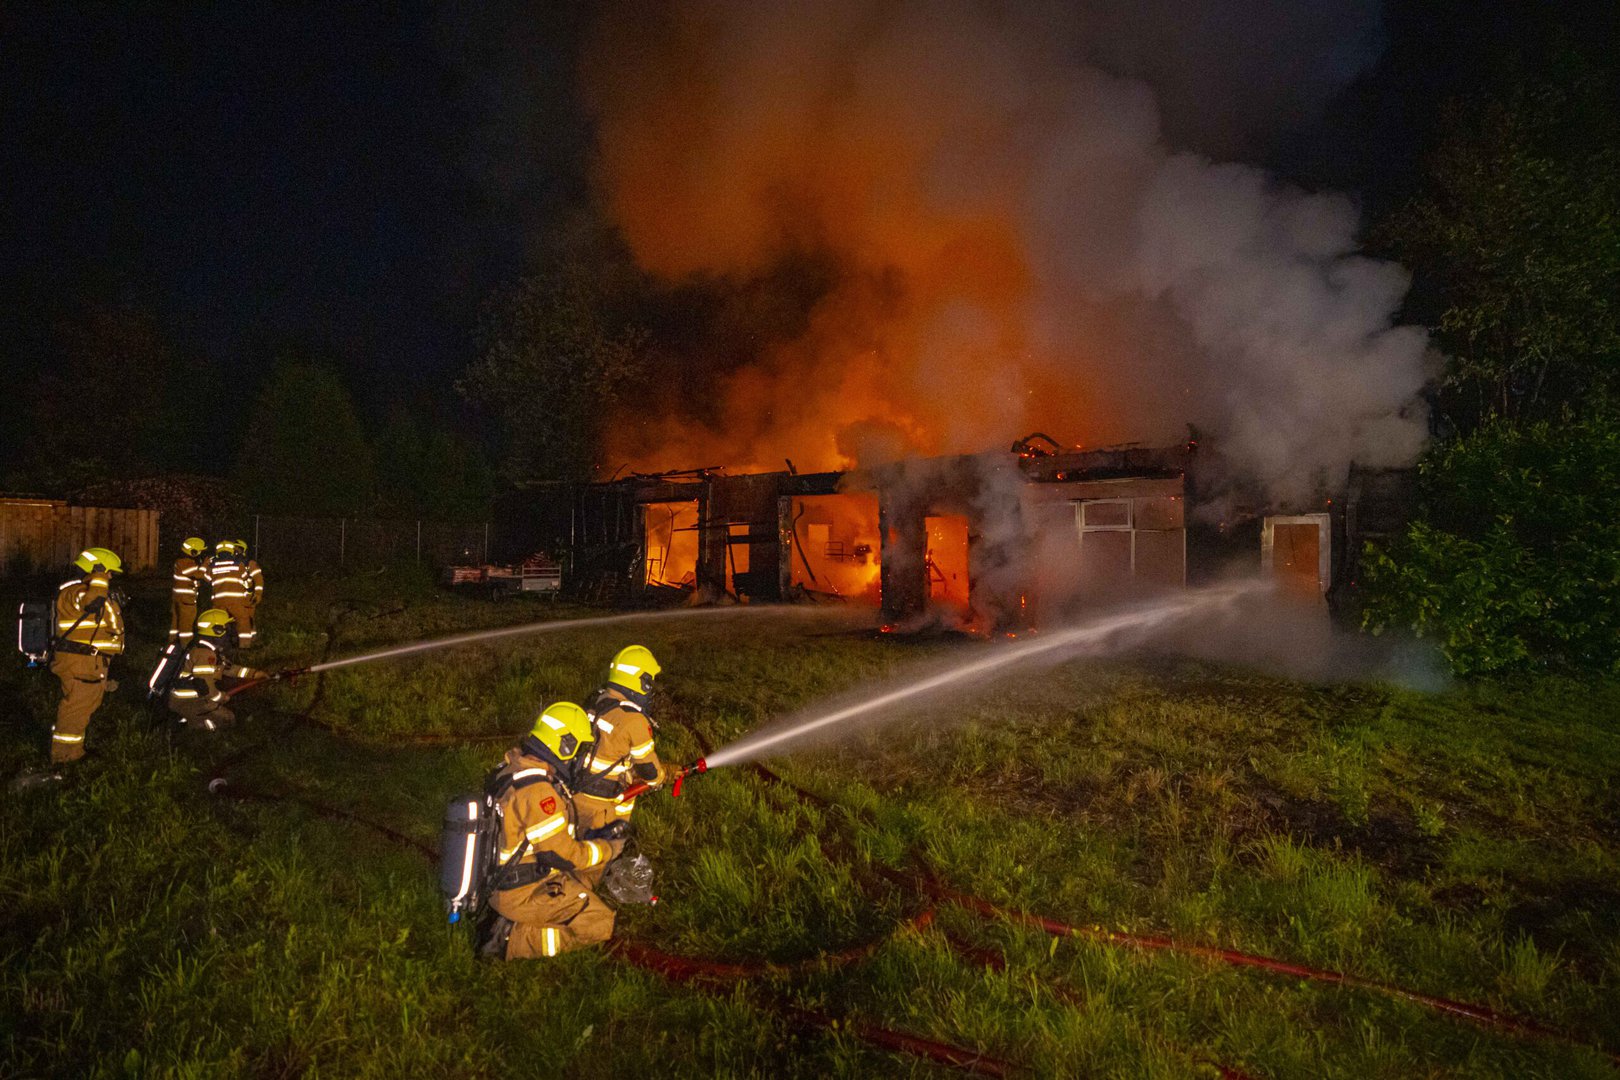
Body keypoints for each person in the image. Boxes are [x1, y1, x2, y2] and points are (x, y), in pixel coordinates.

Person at [481, 702, 625, 960]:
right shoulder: (538, 793)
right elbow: (562, 856)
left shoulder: (511, 767)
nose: (580, 759)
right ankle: (509, 939)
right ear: (564, 746)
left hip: (498, 879)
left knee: (584, 879)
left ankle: (514, 919)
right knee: (599, 922)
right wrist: (608, 849)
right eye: (579, 750)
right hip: (520, 893)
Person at [573, 645, 667, 883]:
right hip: (601, 805)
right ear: (641, 682)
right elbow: (650, 772)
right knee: (592, 864)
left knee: (573, 848)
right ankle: (577, 896)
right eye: (650, 681)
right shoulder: (633, 720)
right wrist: (663, 776)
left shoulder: (597, 701)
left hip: (574, 792)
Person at [49, 548, 125, 764]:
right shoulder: (77, 591)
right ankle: (64, 757)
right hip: (80, 662)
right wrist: (100, 577)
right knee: (75, 708)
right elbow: (92, 602)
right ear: (96, 569)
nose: (110, 577)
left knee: (83, 707)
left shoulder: (88, 591)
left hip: (90, 662)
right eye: (108, 572)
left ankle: (74, 750)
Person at [166, 608, 269, 732]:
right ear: (217, 630)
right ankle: (186, 726)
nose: (231, 632)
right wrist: (222, 698)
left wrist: (254, 674)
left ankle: (186, 721)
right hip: (187, 701)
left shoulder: (208, 649)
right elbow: (207, 688)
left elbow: (230, 669)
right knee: (228, 720)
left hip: (195, 698)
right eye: (228, 628)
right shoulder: (205, 654)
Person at [206, 540, 252, 649]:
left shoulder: (213, 565)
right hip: (236, 601)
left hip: (218, 601)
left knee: (219, 624)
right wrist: (249, 590)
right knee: (243, 622)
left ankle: (219, 647)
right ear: (231, 550)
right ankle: (244, 647)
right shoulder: (238, 564)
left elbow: (207, 579)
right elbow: (247, 580)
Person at [170, 537, 209, 644]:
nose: (200, 554)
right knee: (186, 626)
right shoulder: (187, 563)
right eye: (199, 551)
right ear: (193, 551)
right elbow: (199, 574)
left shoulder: (180, 562)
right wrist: (205, 564)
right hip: (186, 600)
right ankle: (186, 645)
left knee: (175, 623)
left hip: (178, 598)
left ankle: (172, 643)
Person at [235, 538, 264, 649]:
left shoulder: (249, 563)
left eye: (237, 549)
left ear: (243, 550)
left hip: (248, 598)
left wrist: (258, 594)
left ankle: (251, 643)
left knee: (248, 620)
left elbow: (258, 579)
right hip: (235, 598)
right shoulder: (232, 563)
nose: (235, 552)